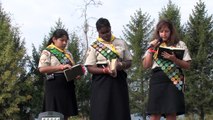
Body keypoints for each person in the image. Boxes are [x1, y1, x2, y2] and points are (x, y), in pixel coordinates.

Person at [142, 19, 191, 120]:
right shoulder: (153, 44)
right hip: (157, 79)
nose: (164, 34)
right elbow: (146, 65)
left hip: (174, 79)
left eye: (166, 31)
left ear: (171, 32)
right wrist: (151, 50)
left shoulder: (180, 44)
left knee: (171, 112)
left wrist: (174, 59)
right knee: (155, 113)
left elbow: (187, 65)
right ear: (158, 32)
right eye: (161, 31)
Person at [84, 17, 132, 120]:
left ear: (110, 28)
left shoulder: (121, 42)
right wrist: (105, 70)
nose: (106, 35)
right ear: (98, 32)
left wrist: (122, 65)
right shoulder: (94, 46)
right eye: (103, 33)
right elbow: (90, 68)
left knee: (120, 111)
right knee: (102, 112)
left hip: (119, 80)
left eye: (108, 31)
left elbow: (129, 61)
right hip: (101, 82)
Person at [38, 29, 78, 120]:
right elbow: (42, 69)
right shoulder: (47, 52)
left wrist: (76, 74)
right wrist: (60, 67)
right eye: (62, 40)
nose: (64, 43)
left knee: (66, 113)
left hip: (67, 85)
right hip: (54, 85)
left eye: (66, 41)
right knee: (54, 114)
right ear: (54, 39)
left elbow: (71, 68)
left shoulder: (68, 54)